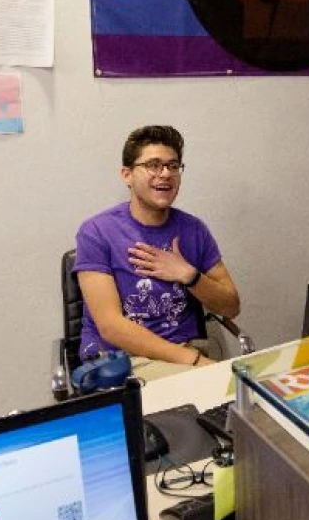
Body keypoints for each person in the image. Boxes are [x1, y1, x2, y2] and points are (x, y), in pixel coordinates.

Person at [74, 125, 240, 380]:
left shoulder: (193, 230)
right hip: (121, 360)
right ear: (126, 174)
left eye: (173, 166)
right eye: (153, 165)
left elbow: (231, 306)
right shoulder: (96, 232)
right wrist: (194, 361)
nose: (165, 174)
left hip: (185, 353)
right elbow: (111, 327)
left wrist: (189, 275)